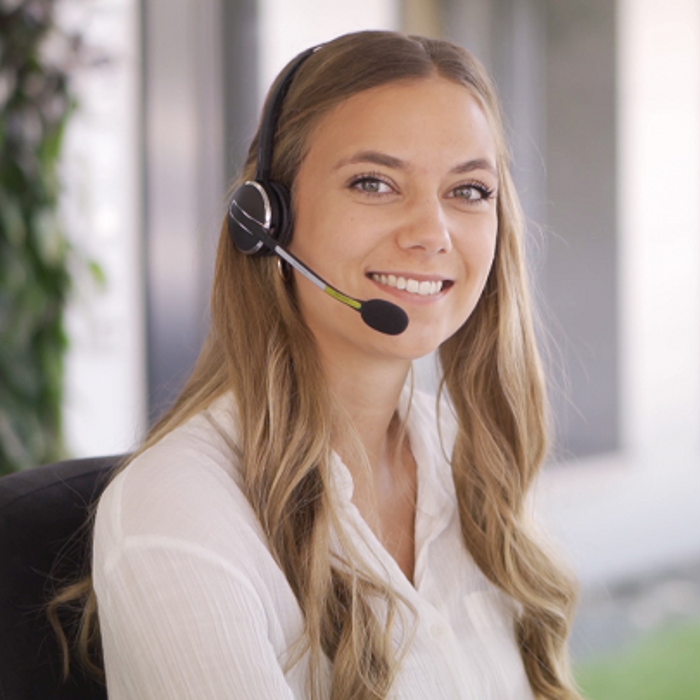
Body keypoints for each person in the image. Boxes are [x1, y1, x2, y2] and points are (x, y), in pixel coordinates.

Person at [52, 30, 580, 699]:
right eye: (374, 183)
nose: (431, 232)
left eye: (469, 191)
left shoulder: (465, 458)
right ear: (266, 220)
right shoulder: (181, 512)